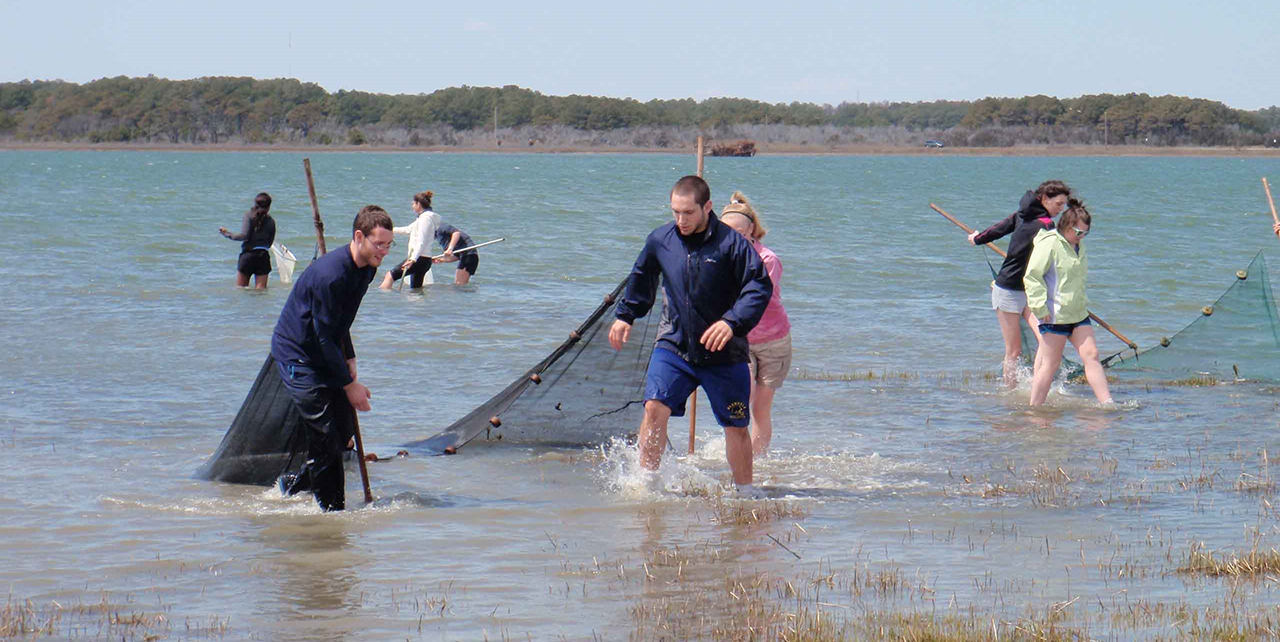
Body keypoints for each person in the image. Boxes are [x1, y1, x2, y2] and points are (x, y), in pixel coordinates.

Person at [608, 176, 773, 497]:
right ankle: (647, 485)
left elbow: (758, 287)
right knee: (654, 408)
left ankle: (745, 492)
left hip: (724, 352)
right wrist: (625, 315)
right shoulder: (661, 240)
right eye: (675, 212)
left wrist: (732, 322)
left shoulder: (733, 244)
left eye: (688, 213)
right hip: (674, 346)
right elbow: (641, 279)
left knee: (736, 427)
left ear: (707, 208)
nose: (680, 220)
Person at [271, 205, 394, 511]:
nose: (384, 252)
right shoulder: (331, 275)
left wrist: (349, 358)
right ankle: (333, 516)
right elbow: (323, 335)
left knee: (342, 431)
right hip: (297, 353)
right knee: (324, 434)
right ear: (358, 237)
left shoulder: (368, 268)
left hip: (326, 348)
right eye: (379, 244)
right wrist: (348, 385)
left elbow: (341, 322)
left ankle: (294, 485)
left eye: (389, 245)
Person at [968, 180, 1073, 385]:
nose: (1061, 210)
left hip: (1032, 290)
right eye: (1058, 204)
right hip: (1008, 290)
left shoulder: (1024, 215)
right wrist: (978, 239)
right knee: (1014, 350)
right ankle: (1012, 391)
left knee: (1045, 340)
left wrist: (977, 238)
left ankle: (1038, 386)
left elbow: (997, 229)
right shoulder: (1044, 225)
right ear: (1044, 199)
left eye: (1064, 205)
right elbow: (1000, 229)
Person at [719, 192, 791, 457]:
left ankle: (756, 459)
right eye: (726, 232)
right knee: (739, 401)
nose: (733, 238)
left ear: (750, 229)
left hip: (774, 340)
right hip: (741, 340)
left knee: (761, 408)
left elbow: (756, 299)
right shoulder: (718, 258)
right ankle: (737, 454)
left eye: (738, 232)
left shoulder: (768, 260)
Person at [1024, 200, 1113, 406]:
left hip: (1078, 313)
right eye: (1078, 232)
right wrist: (1039, 307)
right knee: (1051, 364)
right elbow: (1032, 276)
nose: (1081, 237)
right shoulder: (1050, 243)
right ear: (1065, 226)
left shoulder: (1079, 246)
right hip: (1054, 315)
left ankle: (1108, 404)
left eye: (1085, 233)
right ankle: (1034, 409)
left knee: (1092, 354)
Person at [380, 190, 440, 290]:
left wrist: (412, 259)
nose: (412, 206)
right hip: (424, 260)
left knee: (390, 276)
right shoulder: (423, 218)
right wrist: (388, 230)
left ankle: (382, 299)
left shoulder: (425, 219)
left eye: (413, 203)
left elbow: (421, 241)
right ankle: (417, 306)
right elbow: (408, 229)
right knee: (416, 290)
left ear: (419, 204)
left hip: (418, 259)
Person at [219, 192, 276, 289]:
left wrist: (226, 233)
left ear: (255, 204)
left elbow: (243, 236)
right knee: (261, 292)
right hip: (263, 257)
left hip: (247, 256)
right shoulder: (271, 221)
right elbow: (269, 244)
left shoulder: (248, 216)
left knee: (241, 290)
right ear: (268, 207)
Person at [433, 220, 480, 285]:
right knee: (459, 285)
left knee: (459, 284)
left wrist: (450, 248)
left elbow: (456, 233)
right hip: (466, 256)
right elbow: (457, 256)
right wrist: (441, 260)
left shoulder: (440, 227)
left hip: (469, 255)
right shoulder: (438, 236)